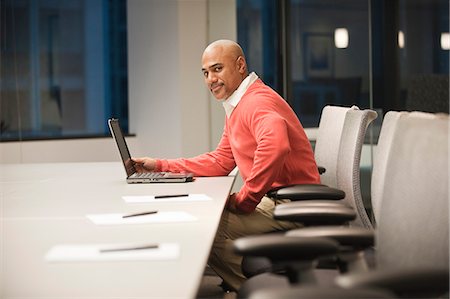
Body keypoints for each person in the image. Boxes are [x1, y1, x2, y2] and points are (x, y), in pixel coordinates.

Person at [133, 39, 320, 291]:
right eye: (205, 73)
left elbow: (275, 146)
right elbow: (220, 160)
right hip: (278, 200)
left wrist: (246, 198)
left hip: (291, 206)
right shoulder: (237, 105)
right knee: (204, 221)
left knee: (203, 229)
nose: (210, 79)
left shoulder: (256, 102)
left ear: (240, 65)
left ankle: (266, 292)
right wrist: (159, 165)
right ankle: (252, 286)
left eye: (217, 69)